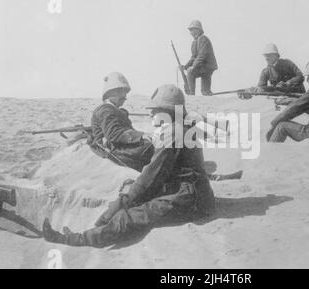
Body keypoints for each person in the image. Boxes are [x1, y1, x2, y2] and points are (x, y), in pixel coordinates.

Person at [42, 84, 216, 247]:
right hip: (185, 190)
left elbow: (151, 177)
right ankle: (95, 228)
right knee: (126, 199)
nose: (150, 114)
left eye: (153, 110)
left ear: (166, 111)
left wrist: (128, 200)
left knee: (129, 218)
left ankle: (76, 239)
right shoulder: (179, 128)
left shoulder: (174, 133)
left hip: (191, 199)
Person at [88, 72, 154, 172]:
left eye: (125, 93)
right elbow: (114, 134)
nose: (124, 97)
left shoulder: (117, 110)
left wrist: (143, 136)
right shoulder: (105, 110)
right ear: (109, 94)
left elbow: (128, 131)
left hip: (120, 145)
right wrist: (140, 136)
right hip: (112, 149)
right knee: (150, 148)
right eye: (120, 93)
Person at [179, 20, 218, 96]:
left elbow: (202, 55)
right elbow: (193, 57)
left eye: (192, 29)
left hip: (207, 66)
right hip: (202, 66)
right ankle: (206, 94)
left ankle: (191, 94)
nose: (190, 32)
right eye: (190, 30)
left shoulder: (203, 39)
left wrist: (193, 67)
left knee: (190, 73)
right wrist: (185, 66)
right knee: (205, 91)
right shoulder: (194, 42)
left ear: (198, 30)